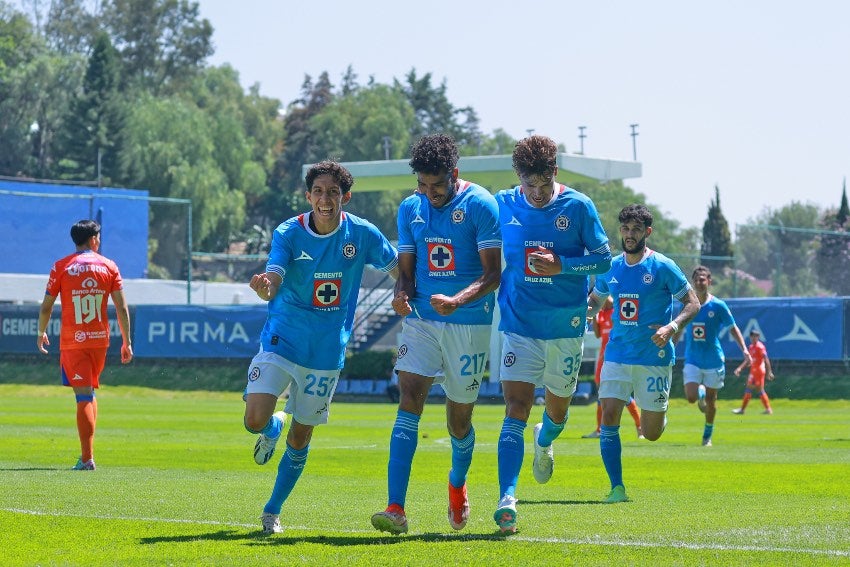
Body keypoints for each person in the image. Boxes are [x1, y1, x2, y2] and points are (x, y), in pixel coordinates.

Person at [244, 160, 398, 535]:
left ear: (345, 196)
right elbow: (275, 275)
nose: (325, 200)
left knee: (303, 435)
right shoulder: (288, 233)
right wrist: (266, 286)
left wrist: (405, 290)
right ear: (308, 195)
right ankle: (272, 425)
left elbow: (397, 267)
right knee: (254, 422)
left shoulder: (361, 233)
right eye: (318, 192)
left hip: (328, 349)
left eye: (332, 192)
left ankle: (272, 511)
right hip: (284, 337)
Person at [371, 134, 502, 535]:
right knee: (409, 397)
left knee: (458, 422)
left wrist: (458, 300)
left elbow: (493, 274)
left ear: (455, 174)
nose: (429, 194)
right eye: (422, 186)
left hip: (469, 323)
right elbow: (406, 276)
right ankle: (396, 507)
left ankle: (457, 485)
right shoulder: (410, 208)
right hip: (423, 321)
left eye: (437, 186)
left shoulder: (481, 204)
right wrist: (400, 294)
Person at [491, 135, 611, 533]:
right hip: (519, 324)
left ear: (555, 173)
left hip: (565, 327)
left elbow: (602, 259)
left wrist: (561, 265)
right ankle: (507, 498)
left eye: (544, 185)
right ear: (518, 178)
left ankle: (545, 440)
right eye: (530, 186)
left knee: (557, 413)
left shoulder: (578, 206)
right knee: (516, 409)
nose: (538, 194)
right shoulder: (502, 204)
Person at [587, 204, 700, 503]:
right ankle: (616, 488)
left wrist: (672, 327)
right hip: (617, 356)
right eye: (625, 228)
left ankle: (660, 415)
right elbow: (596, 300)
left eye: (636, 229)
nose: (629, 234)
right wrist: (582, 313)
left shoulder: (663, 266)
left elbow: (693, 303)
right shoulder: (609, 266)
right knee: (609, 415)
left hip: (654, 358)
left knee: (651, 433)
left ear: (647, 232)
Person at [36, 219, 133, 471]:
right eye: (98, 237)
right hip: (100, 340)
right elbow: (121, 307)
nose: (99, 241)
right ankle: (88, 455)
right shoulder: (109, 265)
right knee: (89, 392)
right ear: (93, 239)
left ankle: (87, 458)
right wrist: (127, 341)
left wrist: (40, 331)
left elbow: (47, 306)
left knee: (83, 396)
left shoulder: (61, 266)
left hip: (73, 340)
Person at [678, 266, 751, 445]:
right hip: (693, 358)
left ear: (709, 281)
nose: (699, 282)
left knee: (712, 400)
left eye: (702, 279)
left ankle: (707, 435)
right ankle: (700, 392)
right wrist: (669, 346)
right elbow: (678, 327)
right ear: (692, 282)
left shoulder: (718, 306)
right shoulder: (688, 305)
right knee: (691, 397)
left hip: (714, 359)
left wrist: (745, 350)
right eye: (696, 279)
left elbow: (733, 329)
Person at [581, 295, 643, 440]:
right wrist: (595, 316)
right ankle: (598, 430)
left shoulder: (619, 310)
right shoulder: (601, 313)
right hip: (604, 359)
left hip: (618, 358)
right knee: (602, 392)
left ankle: (640, 427)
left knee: (623, 394)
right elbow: (597, 335)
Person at [732, 330, 775, 415]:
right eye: (753, 336)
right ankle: (767, 409)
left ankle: (743, 410)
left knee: (751, 388)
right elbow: (748, 360)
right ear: (750, 337)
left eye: (756, 336)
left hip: (758, 371)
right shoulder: (751, 347)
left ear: (758, 337)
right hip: (753, 371)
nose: (754, 338)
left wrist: (769, 371)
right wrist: (740, 368)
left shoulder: (760, 347)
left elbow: (766, 359)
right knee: (758, 390)